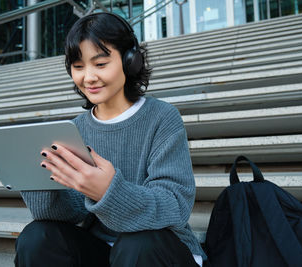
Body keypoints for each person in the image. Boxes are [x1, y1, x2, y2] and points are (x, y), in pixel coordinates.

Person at [14, 12, 206, 267]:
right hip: (105, 252)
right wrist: (35, 181)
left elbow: (175, 207)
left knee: (135, 245)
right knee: (36, 237)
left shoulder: (162, 117)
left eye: (100, 64)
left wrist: (108, 191)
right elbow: (72, 212)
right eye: (78, 67)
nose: (88, 77)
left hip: (160, 250)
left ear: (130, 60)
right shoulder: (73, 129)